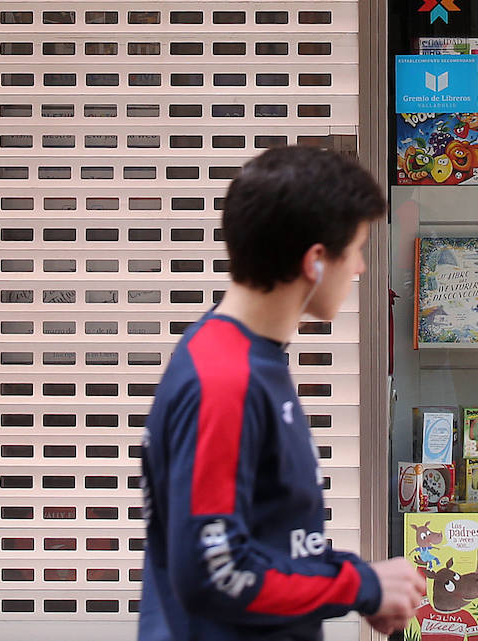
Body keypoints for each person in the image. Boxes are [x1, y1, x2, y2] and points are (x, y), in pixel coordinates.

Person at [139, 147, 425, 641]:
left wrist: (365, 581)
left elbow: (272, 541)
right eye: (356, 248)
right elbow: (213, 570)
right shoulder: (225, 378)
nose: (359, 267)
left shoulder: (244, 358)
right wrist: (358, 586)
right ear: (315, 260)